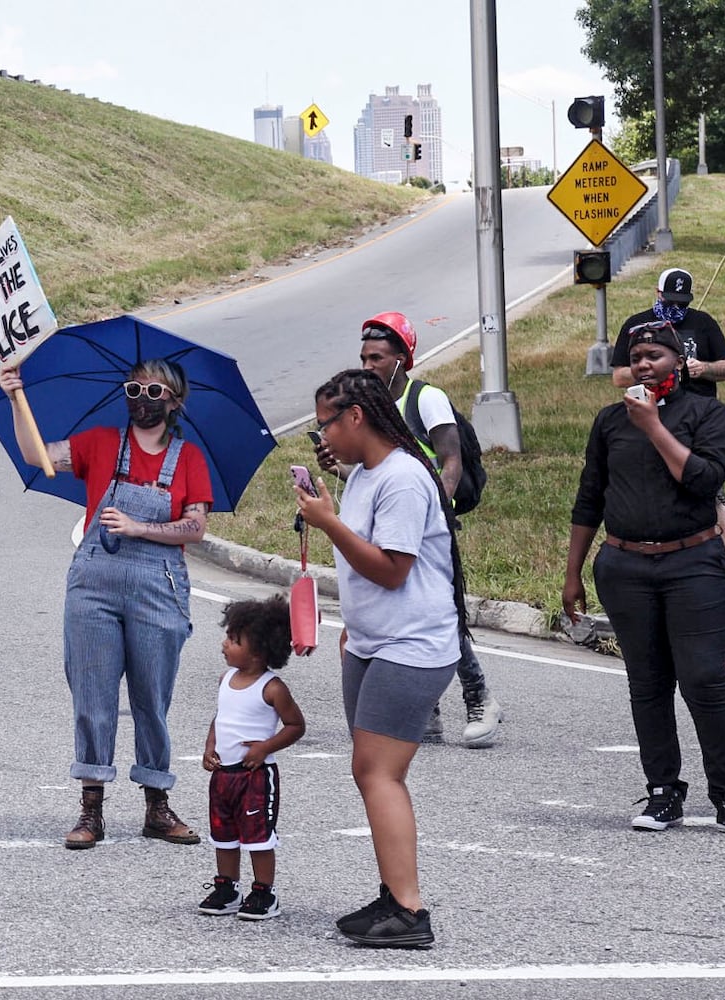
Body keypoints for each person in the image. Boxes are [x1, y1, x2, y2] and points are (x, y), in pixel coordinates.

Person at [0, 360, 212, 850]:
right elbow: (39, 456)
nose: (142, 397)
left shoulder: (188, 458)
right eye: (134, 388)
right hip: (93, 586)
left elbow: (195, 527)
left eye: (154, 390)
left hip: (159, 588)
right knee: (92, 698)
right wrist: (16, 398)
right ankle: (91, 808)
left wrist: (140, 528)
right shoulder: (99, 443)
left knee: (152, 700)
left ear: (174, 401)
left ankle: (157, 804)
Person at [564, 321, 725, 838]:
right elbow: (590, 498)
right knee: (648, 683)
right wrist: (573, 574)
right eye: (636, 356)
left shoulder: (706, 413)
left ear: (678, 360)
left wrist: (654, 426)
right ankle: (663, 792)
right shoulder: (610, 421)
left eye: (654, 354)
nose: (643, 363)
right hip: (625, 566)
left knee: (703, 679)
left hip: (693, 564)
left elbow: (703, 479)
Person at [294, 368, 462, 949]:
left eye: (325, 424)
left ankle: (410, 911)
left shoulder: (404, 479)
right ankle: (393, 895)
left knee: (377, 772)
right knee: (371, 772)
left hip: (412, 645)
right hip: (370, 643)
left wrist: (329, 523)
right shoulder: (363, 474)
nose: (322, 437)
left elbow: (393, 569)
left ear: (356, 416)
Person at [312, 312, 503, 748]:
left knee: (435, 608)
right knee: (415, 606)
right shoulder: (369, 410)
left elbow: (448, 460)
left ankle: (478, 696)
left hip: (430, 512)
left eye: (378, 356)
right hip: (402, 514)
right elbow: (372, 480)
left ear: (403, 358)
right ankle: (427, 712)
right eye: (363, 357)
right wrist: (338, 469)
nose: (369, 364)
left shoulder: (425, 397)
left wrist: (441, 504)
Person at [611, 268, 725, 572]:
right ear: (657, 294)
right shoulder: (635, 325)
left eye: (681, 302)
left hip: (697, 413)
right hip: (649, 411)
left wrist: (704, 369)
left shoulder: (703, 323)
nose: (675, 307)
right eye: (669, 300)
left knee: (711, 484)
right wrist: (657, 368)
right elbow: (618, 375)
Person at [198, 594, 306, 922]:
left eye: (234, 640)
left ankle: (263, 891)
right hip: (224, 776)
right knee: (223, 833)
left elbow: (296, 725)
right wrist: (210, 747)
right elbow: (221, 718)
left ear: (258, 652)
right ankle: (227, 888)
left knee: (258, 837)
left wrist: (265, 748)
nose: (224, 644)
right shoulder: (225, 680)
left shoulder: (272, 688)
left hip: (255, 777)